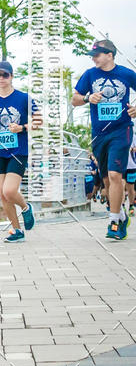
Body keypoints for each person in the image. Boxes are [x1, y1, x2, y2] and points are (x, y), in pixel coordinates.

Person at [71, 39, 136, 240]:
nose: (94, 59)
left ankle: (114, 221)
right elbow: (74, 99)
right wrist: (87, 98)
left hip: (121, 130)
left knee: (116, 176)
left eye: (97, 55)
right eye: (92, 55)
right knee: (107, 179)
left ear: (110, 55)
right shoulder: (90, 75)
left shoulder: (126, 74)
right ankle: (121, 214)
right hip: (99, 134)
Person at [0, 61, 38, 243]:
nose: (1, 78)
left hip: (18, 151)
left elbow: (39, 121)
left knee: (10, 190)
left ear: (12, 76)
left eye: (5, 75)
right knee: (2, 194)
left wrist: (21, 128)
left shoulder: (24, 98)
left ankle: (26, 207)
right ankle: (16, 230)